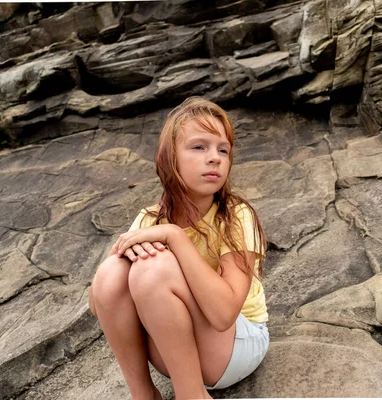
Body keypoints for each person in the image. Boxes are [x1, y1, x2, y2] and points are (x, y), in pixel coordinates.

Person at [88, 97, 269, 400]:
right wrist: (116, 262)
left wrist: (176, 237)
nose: (214, 158)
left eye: (222, 149)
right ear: (170, 157)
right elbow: (101, 304)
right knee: (112, 271)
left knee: (153, 268)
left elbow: (224, 314)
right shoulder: (149, 218)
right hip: (173, 353)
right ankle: (144, 395)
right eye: (199, 147)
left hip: (236, 346)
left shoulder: (236, 214)